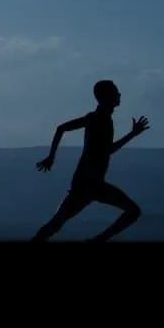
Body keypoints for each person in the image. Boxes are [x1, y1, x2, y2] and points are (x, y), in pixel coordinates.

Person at [30, 79, 150, 243]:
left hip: (90, 183)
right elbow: (107, 150)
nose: (119, 94)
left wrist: (51, 157)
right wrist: (132, 134)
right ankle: (98, 241)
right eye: (116, 92)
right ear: (107, 96)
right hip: (88, 184)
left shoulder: (99, 118)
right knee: (133, 212)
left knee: (57, 223)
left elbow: (62, 129)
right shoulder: (99, 119)